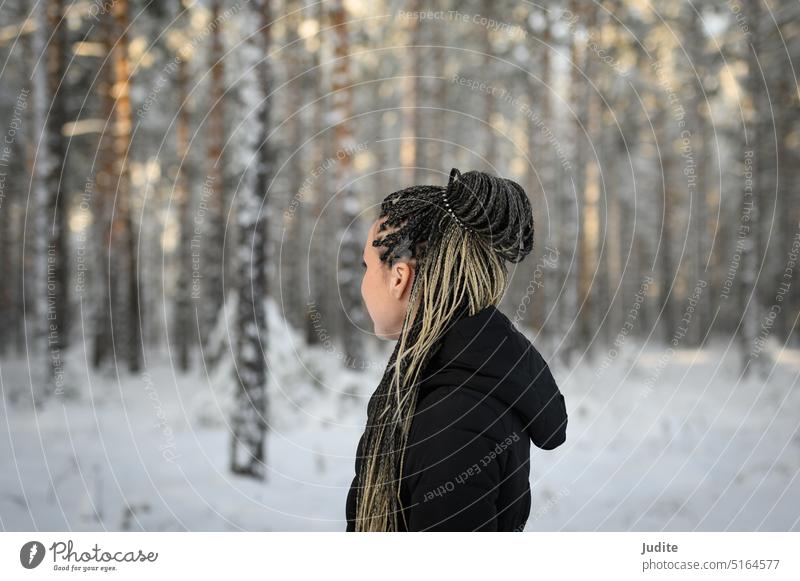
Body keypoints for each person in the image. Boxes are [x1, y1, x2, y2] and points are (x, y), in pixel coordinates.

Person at [346, 167, 568, 532]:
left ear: (399, 277)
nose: (363, 284)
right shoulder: (446, 384)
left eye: (367, 267)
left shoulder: (455, 416)